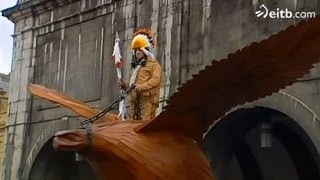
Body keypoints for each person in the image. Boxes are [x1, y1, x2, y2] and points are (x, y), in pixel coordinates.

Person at [119, 29, 162, 121]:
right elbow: (132, 84)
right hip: (133, 101)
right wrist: (125, 85)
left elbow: (156, 80)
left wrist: (141, 86)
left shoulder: (154, 64)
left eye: (139, 50)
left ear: (145, 50)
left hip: (146, 101)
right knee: (130, 126)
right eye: (135, 50)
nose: (137, 52)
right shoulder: (135, 66)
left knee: (143, 126)